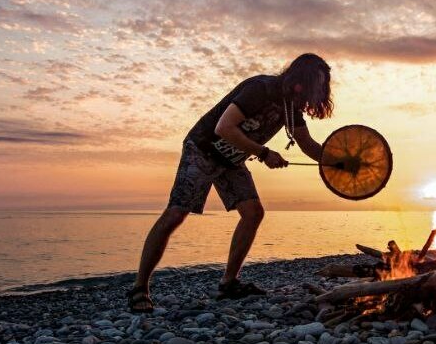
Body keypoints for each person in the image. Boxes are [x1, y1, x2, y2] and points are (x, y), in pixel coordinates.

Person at [127, 54, 333, 312]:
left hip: (230, 160)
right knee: (176, 213)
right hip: (202, 149)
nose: (318, 92)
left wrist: (338, 161)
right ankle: (139, 288)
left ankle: (229, 283)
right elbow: (224, 128)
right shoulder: (260, 89)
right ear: (300, 79)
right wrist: (263, 153)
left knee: (253, 213)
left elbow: (309, 145)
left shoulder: (292, 108)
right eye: (317, 84)